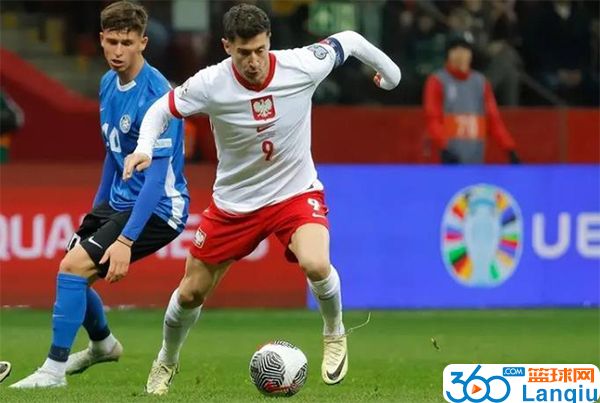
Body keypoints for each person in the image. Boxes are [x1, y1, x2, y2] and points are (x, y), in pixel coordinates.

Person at [123, 3, 400, 395]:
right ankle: (166, 359)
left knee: (316, 263)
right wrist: (144, 148)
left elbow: (350, 40)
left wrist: (391, 75)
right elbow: (160, 110)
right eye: (243, 53)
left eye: (259, 50)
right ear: (226, 46)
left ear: (269, 40)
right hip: (235, 205)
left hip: (294, 193)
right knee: (190, 292)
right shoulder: (210, 83)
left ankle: (334, 333)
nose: (253, 61)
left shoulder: (301, 65)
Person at [10, 1, 189, 389]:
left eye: (127, 43)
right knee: (72, 270)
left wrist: (125, 240)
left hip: (160, 208)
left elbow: (156, 180)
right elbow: (114, 153)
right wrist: (98, 212)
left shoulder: (158, 96)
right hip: (119, 202)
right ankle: (103, 344)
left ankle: (53, 371)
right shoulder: (108, 82)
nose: (118, 51)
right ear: (101, 39)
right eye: (112, 42)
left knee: (72, 268)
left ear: (143, 43)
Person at [423, 33, 521, 164]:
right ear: (448, 54)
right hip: (447, 161)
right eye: (455, 49)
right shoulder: (437, 81)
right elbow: (433, 120)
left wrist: (509, 148)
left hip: (476, 162)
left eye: (465, 49)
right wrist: (445, 147)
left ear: (471, 54)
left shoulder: (481, 83)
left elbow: (493, 120)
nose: (461, 54)